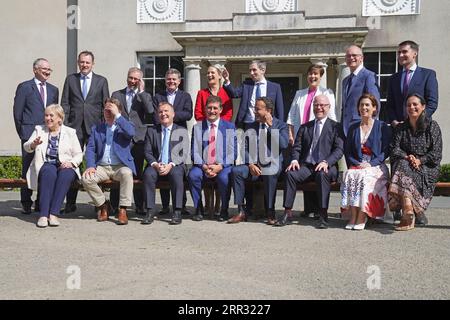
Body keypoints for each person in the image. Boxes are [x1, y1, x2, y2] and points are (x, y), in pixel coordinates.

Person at [282, 95, 344, 228]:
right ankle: (287, 212)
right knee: (290, 174)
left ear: (328, 107)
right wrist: (294, 160)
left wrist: (327, 162)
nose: (319, 108)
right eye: (316, 105)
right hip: (307, 166)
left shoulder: (336, 127)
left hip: (328, 166)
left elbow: (339, 150)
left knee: (322, 175)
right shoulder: (305, 127)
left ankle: (322, 215)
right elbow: (297, 147)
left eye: (322, 105)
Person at [61, 50, 110, 213]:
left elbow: (106, 106)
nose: (84, 65)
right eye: (82, 62)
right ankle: (70, 202)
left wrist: (104, 128)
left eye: (87, 62)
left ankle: (99, 204)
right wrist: (65, 125)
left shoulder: (101, 81)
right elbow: (65, 104)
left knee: (95, 164)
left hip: (95, 128)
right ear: (78, 62)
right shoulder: (70, 80)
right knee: (71, 163)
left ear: (92, 64)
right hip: (73, 128)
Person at [287, 63, 337, 219]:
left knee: (319, 171)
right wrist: (291, 134)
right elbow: (292, 116)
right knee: (304, 166)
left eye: (316, 74)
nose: (312, 76)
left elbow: (332, 115)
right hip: (304, 135)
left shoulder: (326, 93)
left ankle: (318, 210)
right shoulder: (299, 94)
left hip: (321, 135)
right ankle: (309, 209)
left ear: (320, 76)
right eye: (310, 74)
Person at [227, 97, 288, 225]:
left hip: (272, 165)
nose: (254, 112)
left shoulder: (281, 125)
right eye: (254, 109)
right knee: (236, 171)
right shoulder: (251, 126)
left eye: (258, 109)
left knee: (270, 173)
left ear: (268, 111)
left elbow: (283, 145)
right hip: (254, 166)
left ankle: (270, 212)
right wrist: (250, 163)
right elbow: (244, 148)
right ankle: (241, 211)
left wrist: (271, 127)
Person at [388, 93, 442, 231]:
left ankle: (409, 212)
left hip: (427, 168)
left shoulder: (432, 126)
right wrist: (408, 157)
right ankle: (409, 209)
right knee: (402, 165)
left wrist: (420, 160)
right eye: (408, 105)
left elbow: (436, 153)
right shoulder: (401, 127)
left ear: (423, 107)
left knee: (403, 169)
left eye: (415, 104)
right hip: (407, 163)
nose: (411, 107)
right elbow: (394, 149)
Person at [23, 105, 82, 228]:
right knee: (48, 173)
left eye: (51, 116)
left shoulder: (70, 132)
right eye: (46, 115)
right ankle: (44, 215)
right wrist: (33, 145)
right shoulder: (39, 129)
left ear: (60, 119)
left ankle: (53, 214)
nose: (48, 118)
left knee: (66, 175)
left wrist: (71, 163)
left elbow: (78, 154)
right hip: (47, 163)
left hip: (65, 164)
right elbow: (26, 147)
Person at [13, 58, 59, 214]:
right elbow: (17, 113)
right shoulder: (25, 87)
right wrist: (23, 133)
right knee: (27, 167)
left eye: (49, 69)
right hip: (29, 134)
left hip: (47, 134)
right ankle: (26, 201)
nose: (47, 72)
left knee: (44, 166)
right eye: (44, 69)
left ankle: (41, 201)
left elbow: (54, 113)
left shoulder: (54, 90)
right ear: (35, 70)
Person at [340, 94, 391, 230]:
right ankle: (353, 215)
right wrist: (356, 163)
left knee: (365, 176)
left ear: (374, 108)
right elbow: (348, 151)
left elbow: (386, 150)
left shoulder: (382, 127)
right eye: (361, 105)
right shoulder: (353, 127)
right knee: (348, 174)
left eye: (367, 105)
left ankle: (362, 215)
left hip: (376, 165)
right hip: (358, 164)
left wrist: (371, 163)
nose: (364, 107)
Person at [81, 98, 136, 225]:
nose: (108, 112)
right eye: (106, 109)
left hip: (120, 166)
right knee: (86, 178)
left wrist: (117, 116)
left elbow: (131, 133)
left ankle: (122, 209)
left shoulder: (125, 126)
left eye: (111, 109)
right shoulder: (97, 128)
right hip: (102, 167)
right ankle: (103, 204)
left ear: (118, 111)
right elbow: (90, 148)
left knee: (127, 174)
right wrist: (90, 166)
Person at [111, 67, 154, 215]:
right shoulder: (117, 94)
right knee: (119, 170)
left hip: (138, 138)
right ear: (127, 77)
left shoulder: (145, 95)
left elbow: (150, 111)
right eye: (131, 78)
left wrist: (141, 92)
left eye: (136, 79)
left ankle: (140, 205)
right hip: (122, 136)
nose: (133, 81)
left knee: (137, 173)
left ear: (140, 80)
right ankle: (114, 205)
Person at [194, 64, 234, 217]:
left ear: (219, 75)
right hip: (205, 129)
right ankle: (206, 205)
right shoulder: (202, 93)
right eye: (208, 73)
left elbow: (228, 112)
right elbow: (198, 113)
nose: (210, 75)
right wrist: (210, 122)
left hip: (222, 130)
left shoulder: (226, 92)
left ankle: (219, 205)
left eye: (213, 73)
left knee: (221, 170)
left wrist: (218, 124)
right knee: (203, 168)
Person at [189, 95, 237, 222]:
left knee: (224, 178)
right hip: (203, 165)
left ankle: (224, 210)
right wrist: (204, 166)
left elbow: (233, 153)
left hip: (223, 166)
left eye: (215, 108)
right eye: (209, 108)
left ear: (221, 109)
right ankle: (198, 209)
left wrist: (220, 166)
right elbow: (194, 152)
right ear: (205, 109)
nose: (212, 111)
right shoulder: (198, 127)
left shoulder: (229, 127)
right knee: (193, 175)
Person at [141, 102, 189, 225]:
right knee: (148, 174)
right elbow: (147, 152)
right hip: (157, 164)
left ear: (173, 114)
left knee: (176, 174)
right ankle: (150, 211)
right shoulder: (152, 131)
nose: (163, 114)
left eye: (166, 111)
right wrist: (155, 164)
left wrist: (170, 164)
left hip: (175, 164)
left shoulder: (181, 130)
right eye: (161, 112)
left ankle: (177, 211)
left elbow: (183, 154)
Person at [153, 68, 192, 215]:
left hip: (178, 134)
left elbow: (188, 114)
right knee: (163, 165)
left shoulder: (185, 96)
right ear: (165, 81)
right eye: (169, 79)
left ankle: (181, 205)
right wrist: (166, 117)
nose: (171, 82)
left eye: (174, 79)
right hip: (162, 134)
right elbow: (156, 116)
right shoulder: (158, 96)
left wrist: (170, 116)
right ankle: (164, 206)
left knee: (177, 169)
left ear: (179, 81)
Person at [387, 40, 439, 126]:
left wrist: (417, 121)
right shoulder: (394, 78)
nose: (400, 55)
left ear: (415, 54)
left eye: (404, 52)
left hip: (421, 127)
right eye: (399, 52)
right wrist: (394, 121)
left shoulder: (427, 75)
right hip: (399, 129)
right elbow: (390, 105)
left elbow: (432, 103)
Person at [223, 60, 284, 127]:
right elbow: (234, 94)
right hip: (248, 124)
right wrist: (226, 80)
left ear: (263, 70)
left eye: (254, 70)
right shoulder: (246, 85)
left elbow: (279, 110)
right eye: (250, 70)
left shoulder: (275, 87)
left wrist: (279, 127)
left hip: (267, 124)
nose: (251, 73)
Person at [341, 45, 380, 136]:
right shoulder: (345, 81)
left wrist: (369, 129)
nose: (351, 58)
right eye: (348, 56)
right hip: (345, 128)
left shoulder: (369, 76)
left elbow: (375, 104)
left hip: (362, 127)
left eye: (354, 55)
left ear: (361, 58)